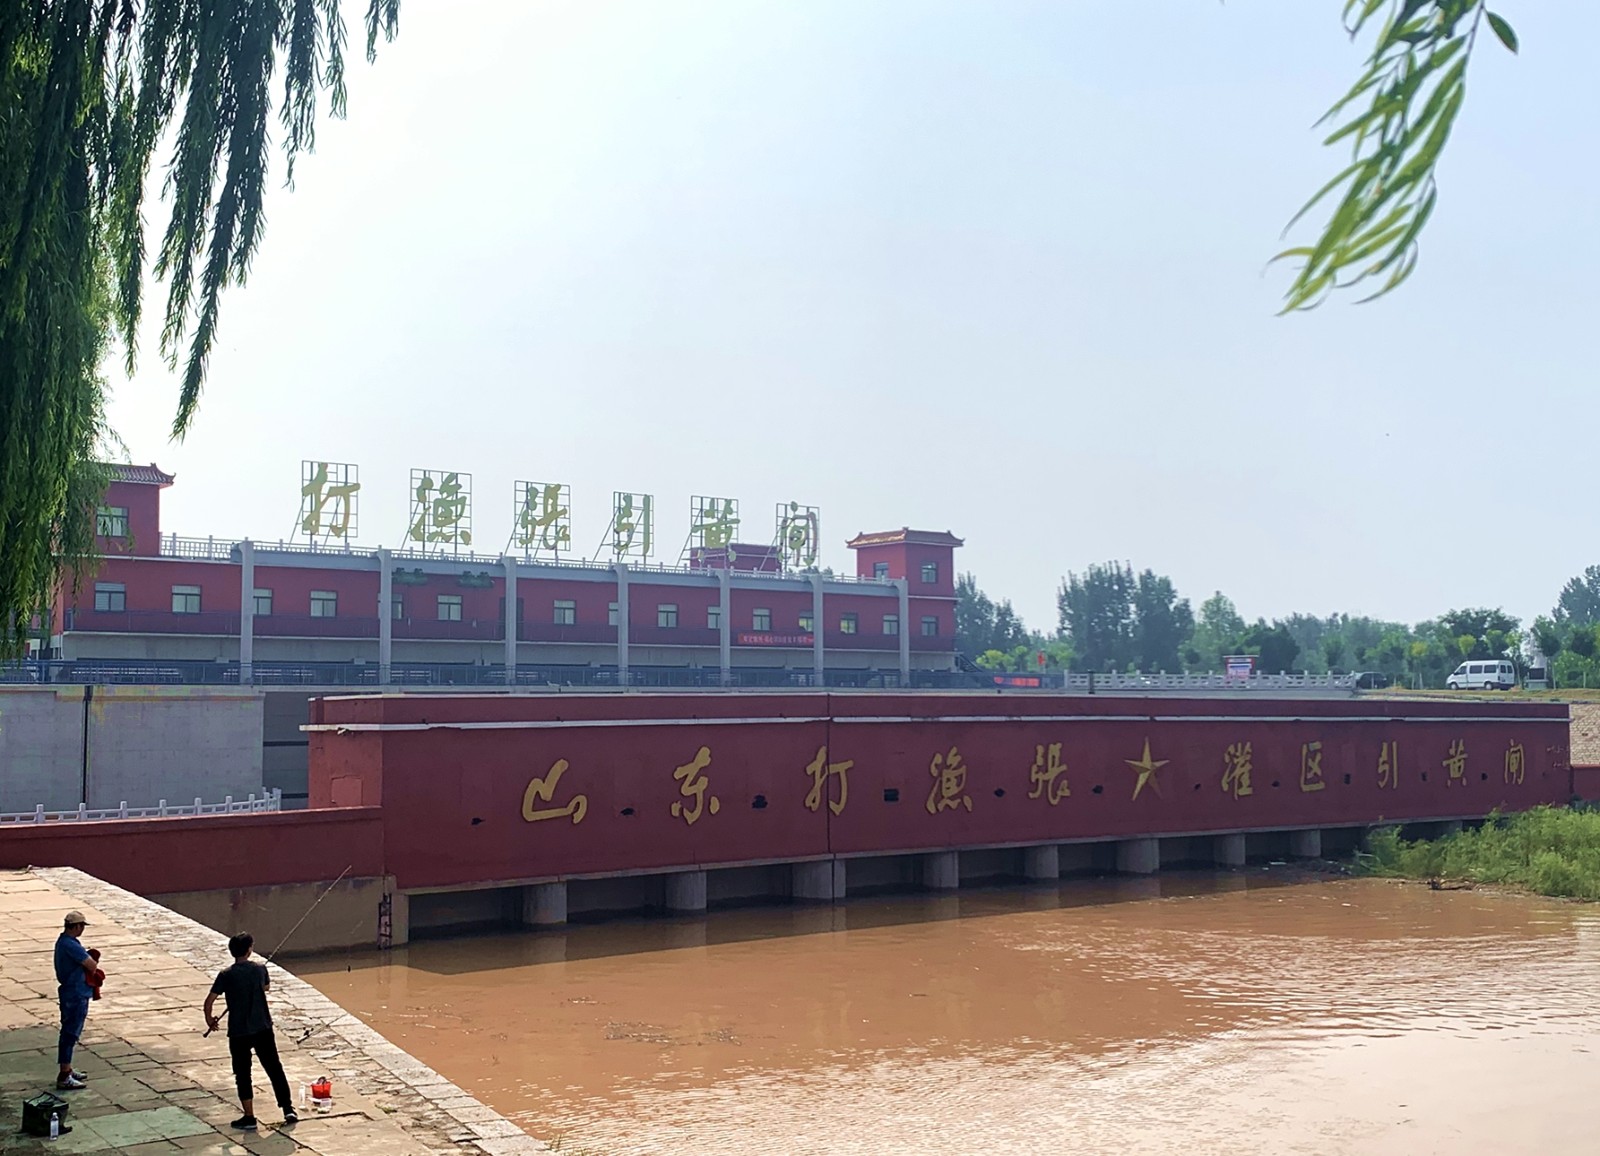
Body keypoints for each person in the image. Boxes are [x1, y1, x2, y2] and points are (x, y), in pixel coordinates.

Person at [203, 933, 298, 1131]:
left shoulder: (226, 975)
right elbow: (266, 987)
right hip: (262, 1027)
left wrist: (210, 1020)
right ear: (249, 950)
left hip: (238, 1032)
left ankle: (249, 1117)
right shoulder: (260, 969)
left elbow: (209, 1001)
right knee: (274, 1068)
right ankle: (288, 1109)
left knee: (243, 1074)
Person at [53, 911, 97, 1090]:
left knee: (70, 1032)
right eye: (82, 926)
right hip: (75, 993)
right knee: (70, 1033)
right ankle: (64, 1074)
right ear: (77, 926)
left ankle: (68, 1069)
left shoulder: (64, 942)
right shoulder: (70, 945)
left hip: (72, 991)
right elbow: (91, 965)